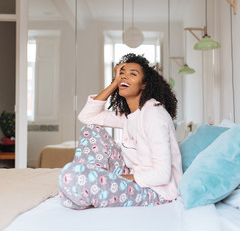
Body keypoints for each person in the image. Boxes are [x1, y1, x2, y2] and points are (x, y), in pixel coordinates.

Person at [58, 53, 182, 209]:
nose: (124, 77)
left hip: (158, 191)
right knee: (91, 130)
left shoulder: (154, 114)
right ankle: (90, 187)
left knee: (71, 176)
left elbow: (162, 175)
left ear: (144, 84)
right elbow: (87, 117)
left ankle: (90, 187)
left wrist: (112, 177)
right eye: (122, 74)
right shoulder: (129, 115)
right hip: (134, 177)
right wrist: (114, 83)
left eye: (132, 74)